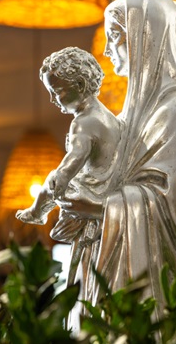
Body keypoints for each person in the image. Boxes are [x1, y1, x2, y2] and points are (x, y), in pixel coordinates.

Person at [56, 0, 176, 308]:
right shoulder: (126, 119)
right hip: (111, 274)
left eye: (114, 35)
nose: (105, 49)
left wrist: (99, 208)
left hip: (157, 290)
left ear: (146, 38)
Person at [16, 48, 119, 238]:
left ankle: (37, 212)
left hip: (92, 190)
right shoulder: (110, 117)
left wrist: (61, 178)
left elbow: (75, 157)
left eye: (56, 92)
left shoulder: (83, 123)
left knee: (52, 178)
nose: (52, 100)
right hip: (108, 189)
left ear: (80, 85)